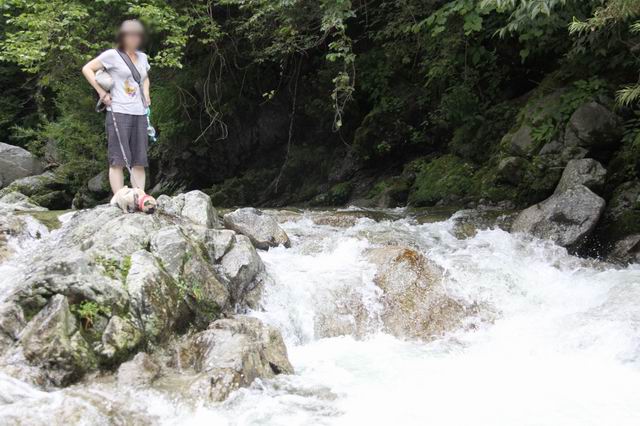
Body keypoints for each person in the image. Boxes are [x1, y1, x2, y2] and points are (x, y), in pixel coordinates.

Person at [82, 20, 151, 194]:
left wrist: (146, 93)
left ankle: (139, 197)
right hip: (118, 111)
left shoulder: (142, 57)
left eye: (137, 35)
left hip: (140, 112)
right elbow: (87, 69)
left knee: (139, 160)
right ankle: (120, 198)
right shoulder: (112, 55)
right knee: (118, 160)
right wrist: (101, 92)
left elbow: (145, 78)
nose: (134, 38)